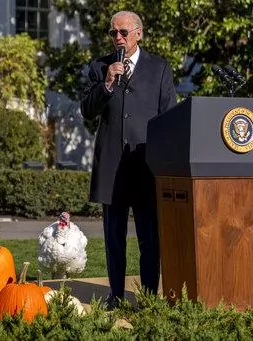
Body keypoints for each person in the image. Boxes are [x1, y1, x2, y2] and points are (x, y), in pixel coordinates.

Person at [81, 11, 177, 309]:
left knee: (150, 238)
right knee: (113, 238)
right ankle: (116, 295)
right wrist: (107, 84)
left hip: (146, 165)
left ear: (138, 33)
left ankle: (148, 297)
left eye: (123, 32)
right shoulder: (100, 67)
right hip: (112, 165)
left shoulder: (159, 68)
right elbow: (86, 110)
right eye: (113, 33)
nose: (118, 38)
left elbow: (168, 117)